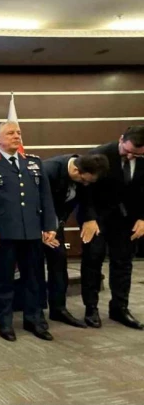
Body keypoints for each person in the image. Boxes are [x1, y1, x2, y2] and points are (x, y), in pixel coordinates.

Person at [0, 121, 57, 342]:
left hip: (32, 232)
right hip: (4, 233)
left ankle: (34, 320)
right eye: (10, 133)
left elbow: (45, 197)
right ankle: (5, 322)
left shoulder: (33, 162)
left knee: (33, 279)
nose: (16, 136)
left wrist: (49, 225)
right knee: (4, 281)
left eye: (18, 133)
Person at [77, 126, 144, 329]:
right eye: (128, 151)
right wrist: (89, 218)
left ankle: (119, 308)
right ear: (121, 139)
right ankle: (91, 308)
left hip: (127, 219)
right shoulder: (99, 154)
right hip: (97, 218)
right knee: (93, 260)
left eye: (137, 155)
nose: (131, 156)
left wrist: (142, 218)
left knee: (123, 263)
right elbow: (85, 189)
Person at [40, 153, 109, 328]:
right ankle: (34, 313)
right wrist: (44, 229)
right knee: (34, 266)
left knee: (59, 261)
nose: (85, 185)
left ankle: (58, 309)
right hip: (38, 222)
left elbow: (86, 199)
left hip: (56, 224)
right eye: (84, 181)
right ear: (76, 170)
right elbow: (35, 202)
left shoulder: (85, 174)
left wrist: (90, 219)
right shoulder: (48, 170)